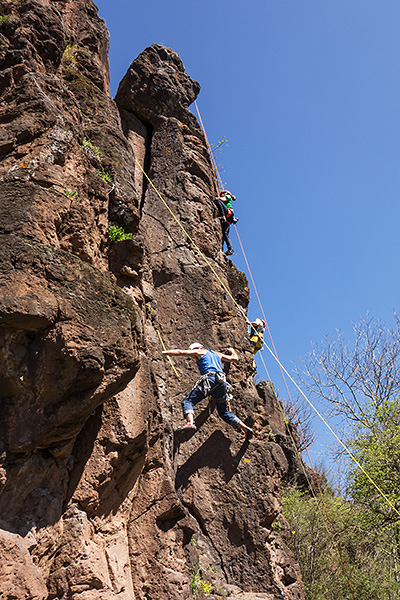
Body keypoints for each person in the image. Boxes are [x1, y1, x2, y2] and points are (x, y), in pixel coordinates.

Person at [162, 342, 253, 439]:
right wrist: (232, 351)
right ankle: (245, 428)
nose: (194, 357)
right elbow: (235, 359)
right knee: (223, 413)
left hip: (210, 380)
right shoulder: (217, 354)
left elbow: (180, 352)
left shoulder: (199, 352)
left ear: (196, 349)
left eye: (194, 355)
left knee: (187, 401)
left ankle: (190, 423)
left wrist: (163, 352)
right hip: (221, 384)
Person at [214, 190, 238, 256]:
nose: (221, 195)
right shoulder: (228, 196)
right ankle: (230, 249)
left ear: (225, 193)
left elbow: (223, 199)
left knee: (217, 201)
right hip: (229, 218)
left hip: (228, 213)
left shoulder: (228, 196)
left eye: (221, 194)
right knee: (224, 233)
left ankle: (222, 216)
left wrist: (217, 197)